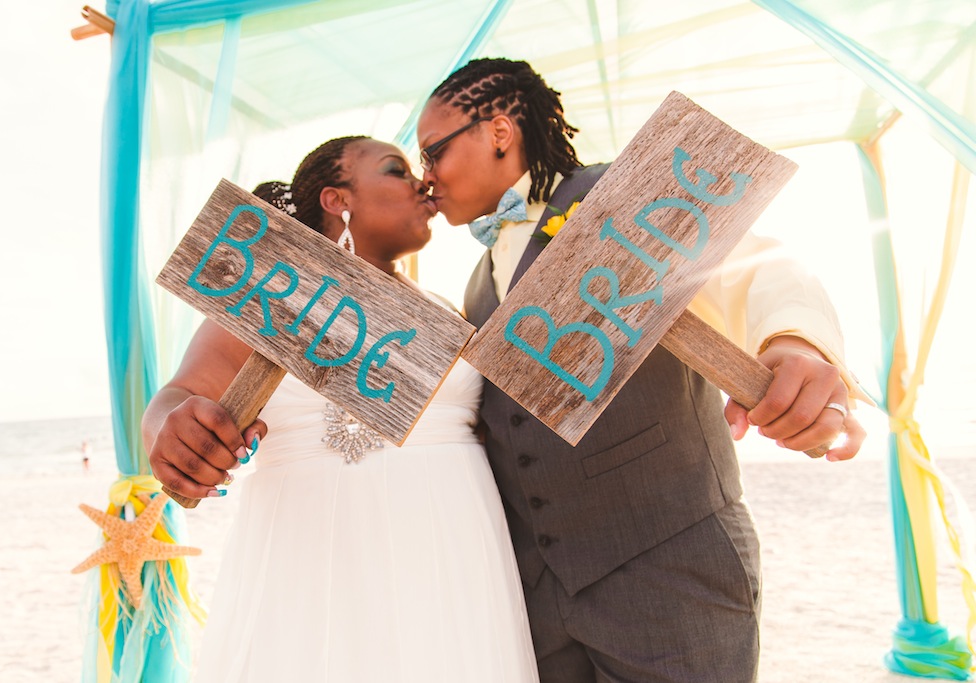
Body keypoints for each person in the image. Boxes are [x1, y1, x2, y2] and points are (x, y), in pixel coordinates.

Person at [416, 57, 867, 683]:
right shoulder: (474, 282)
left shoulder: (623, 194)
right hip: (536, 598)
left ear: (497, 133)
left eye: (432, 153)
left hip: (667, 570)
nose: (425, 178)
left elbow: (759, 267)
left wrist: (798, 346)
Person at [143, 136, 539, 682]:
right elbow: (179, 394)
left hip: (453, 565)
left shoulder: (450, 311)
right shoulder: (268, 295)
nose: (422, 182)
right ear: (337, 200)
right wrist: (169, 429)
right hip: (315, 565)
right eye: (397, 170)